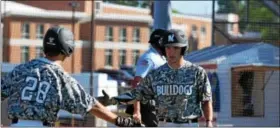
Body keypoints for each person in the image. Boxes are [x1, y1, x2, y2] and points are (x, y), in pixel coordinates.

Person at [1, 26, 143, 127]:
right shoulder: (60, 77)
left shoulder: (20, 69)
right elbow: (92, 106)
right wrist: (122, 121)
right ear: (68, 48)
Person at [130, 29, 214, 127]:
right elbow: (137, 92)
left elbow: (206, 100)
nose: (171, 52)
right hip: (165, 123)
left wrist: (209, 121)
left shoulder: (197, 72)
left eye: (175, 48)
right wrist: (137, 111)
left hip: (189, 124)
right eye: (168, 48)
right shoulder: (156, 74)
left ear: (183, 49)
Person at [99, 29, 168, 127]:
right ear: (160, 42)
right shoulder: (149, 58)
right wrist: (137, 110)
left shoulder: (160, 57)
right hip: (147, 106)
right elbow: (136, 84)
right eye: (166, 43)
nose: (168, 46)